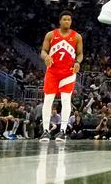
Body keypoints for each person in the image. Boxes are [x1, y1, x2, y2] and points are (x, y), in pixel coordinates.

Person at [39, 11, 82, 143]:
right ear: (60, 21)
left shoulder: (77, 37)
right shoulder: (51, 35)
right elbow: (43, 51)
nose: (67, 22)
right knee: (48, 100)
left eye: (69, 19)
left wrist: (77, 62)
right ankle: (45, 131)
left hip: (68, 73)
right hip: (52, 72)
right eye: (64, 19)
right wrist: (46, 57)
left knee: (65, 100)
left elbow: (80, 54)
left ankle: (62, 131)